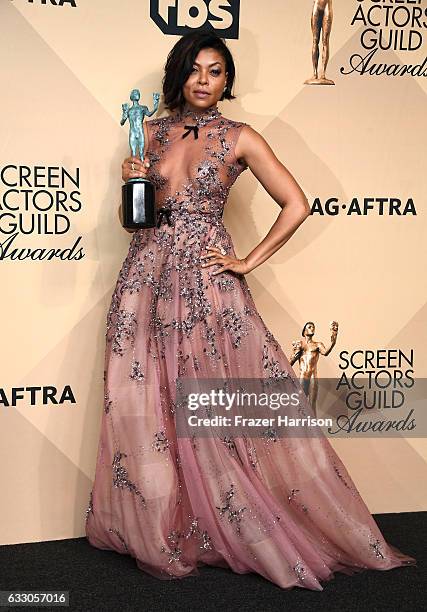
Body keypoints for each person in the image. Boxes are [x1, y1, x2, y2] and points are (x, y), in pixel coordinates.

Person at [85, 31, 416, 590]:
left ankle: (241, 521)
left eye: (215, 71)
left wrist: (249, 260)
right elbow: (133, 224)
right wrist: (132, 185)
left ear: (226, 80)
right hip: (144, 280)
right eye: (195, 69)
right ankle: (173, 527)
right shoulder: (149, 132)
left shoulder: (240, 137)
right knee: (149, 404)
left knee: (221, 408)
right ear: (179, 74)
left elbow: (298, 202)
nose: (204, 81)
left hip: (207, 287)